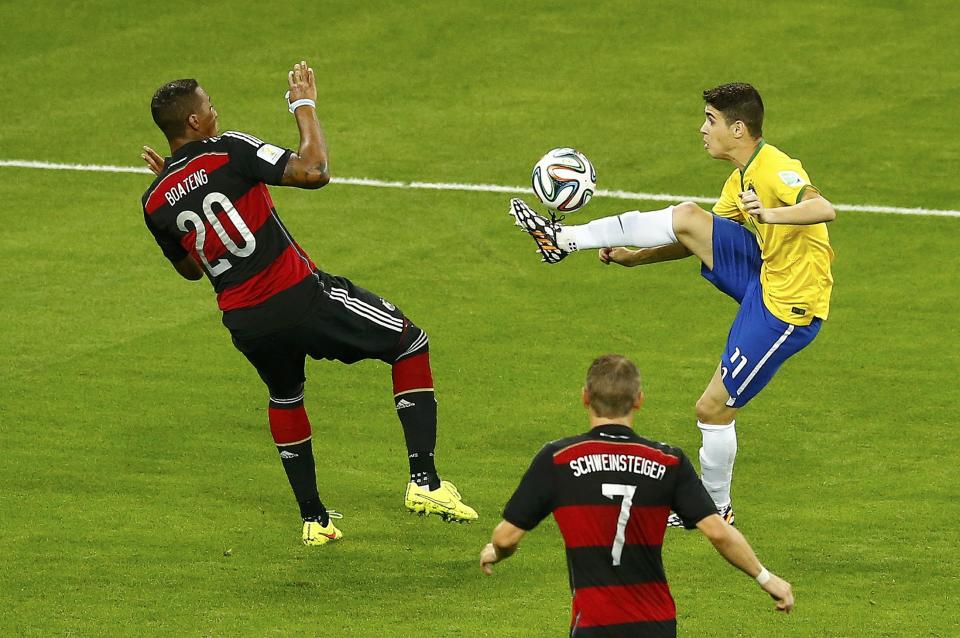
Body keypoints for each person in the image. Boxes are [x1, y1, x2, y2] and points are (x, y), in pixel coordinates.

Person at [139, 60, 477, 546]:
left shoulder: (154, 200)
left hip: (245, 323)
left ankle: (315, 520)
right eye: (208, 105)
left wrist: (171, 182)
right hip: (299, 298)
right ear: (193, 122)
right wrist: (304, 107)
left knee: (285, 395)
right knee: (409, 343)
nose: (215, 109)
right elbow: (314, 171)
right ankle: (424, 483)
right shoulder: (229, 148)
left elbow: (192, 269)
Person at [508, 83, 835, 525]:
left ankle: (717, 510)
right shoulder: (741, 176)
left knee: (712, 409)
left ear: (738, 128)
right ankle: (567, 239)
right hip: (765, 271)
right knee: (687, 216)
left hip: (787, 306)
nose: (702, 129)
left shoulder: (776, 168)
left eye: (711, 121)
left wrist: (769, 214)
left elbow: (823, 208)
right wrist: (634, 258)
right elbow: (691, 239)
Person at [480, 355, 794, 637]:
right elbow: (718, 531)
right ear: (639, 400)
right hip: (656, 623)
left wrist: (496, 552)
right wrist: (766, 578)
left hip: (596, 625)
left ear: (585, 398)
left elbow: (507, 538)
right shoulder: (669, 462)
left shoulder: (559, 459)